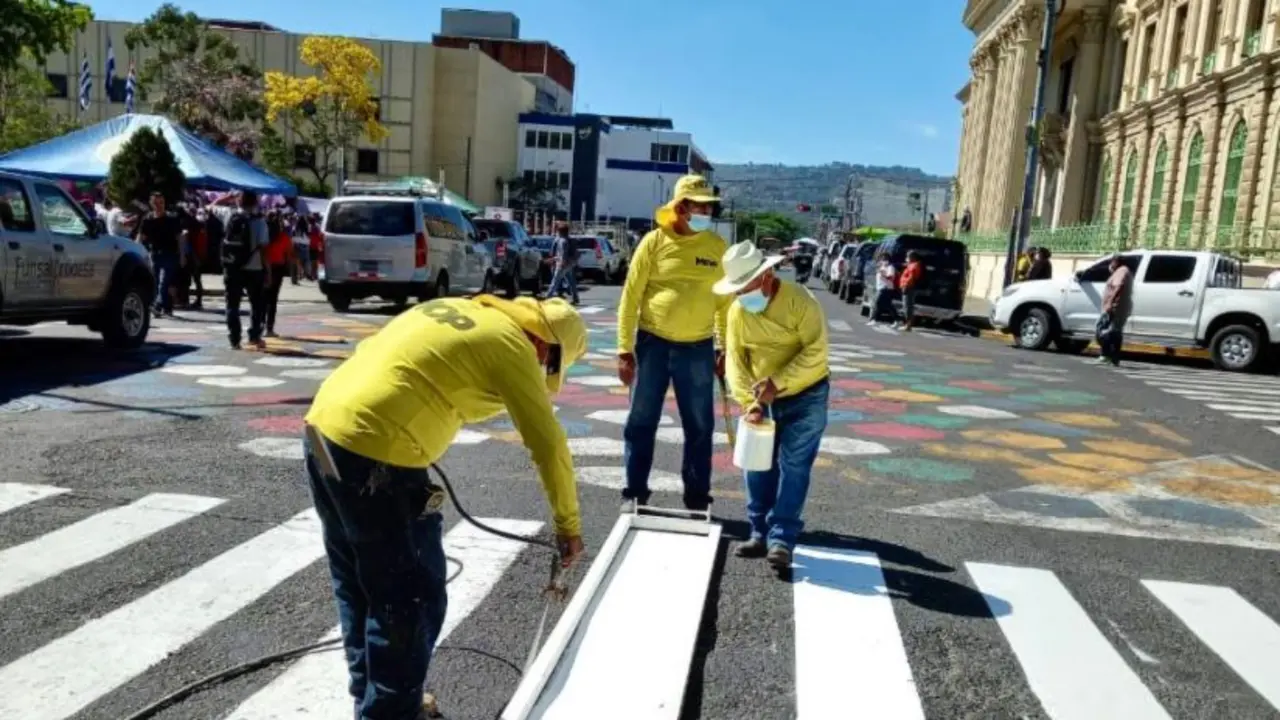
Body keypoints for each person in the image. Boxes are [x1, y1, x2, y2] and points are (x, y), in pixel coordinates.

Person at [302, 294, 588, 720]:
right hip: (378, 455)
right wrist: (568, 524)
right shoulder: (512, 343)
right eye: (549, 367)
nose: (543, 372)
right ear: (546, 346)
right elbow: (547, 443)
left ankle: (375, 703)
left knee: (360, 583)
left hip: (324, 431)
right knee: (411, 598)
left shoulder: (465, 309)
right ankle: (391, 713)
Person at [616, 174, 730, 511]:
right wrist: (624, 349)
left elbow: (724, 304)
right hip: (652, 344)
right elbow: (630, 297)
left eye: (710, 207)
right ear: (681, 208)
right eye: (701, 206)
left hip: (698, 347)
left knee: (699, 426)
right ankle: (635, 493)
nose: (707, 212)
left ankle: (696, 499)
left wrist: (722, 348)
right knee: (640, 422)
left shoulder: (716, 248)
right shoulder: (653, 242)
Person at [714, 241, 829, 571]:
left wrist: (777, 383)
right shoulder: (738, 312)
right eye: (736, 290)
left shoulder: (802, 302)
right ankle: (758, 531)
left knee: (794, 466)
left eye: (745, 288)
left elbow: (816, 353)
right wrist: (750, 403)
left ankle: (782, 538)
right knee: (756, 465)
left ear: (766, 277)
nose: (740, 296)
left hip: (806, 394)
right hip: (759, 398)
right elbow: (736, 361)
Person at [210, 191, 270, 350]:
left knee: (232, 305)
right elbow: (264, 249)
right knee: (257, 304)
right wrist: (268, 271)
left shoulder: (229, 215)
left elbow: (211, 207)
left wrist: (226, 198)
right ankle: (254, 337)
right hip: (254, 267)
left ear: (238, 202)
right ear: (256, 203)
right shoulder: (260, 222)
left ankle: (234, 340)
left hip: (232, 267)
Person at [137, 192, 183, 317]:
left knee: (164, 281)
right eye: (156, 203)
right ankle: (167, 308)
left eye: (161, 202)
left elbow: (180, 237)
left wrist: (182, 255)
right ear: (151, 204)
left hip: (170, 254)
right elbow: (141, 236)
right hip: (154, 254)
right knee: (157, 282)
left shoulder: (172, 218)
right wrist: (136, 251)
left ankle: (157, 306)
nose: (159, 205)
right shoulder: (148, 219)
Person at [1097, 255, 1133, 366]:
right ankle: (1113, 357)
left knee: (1103, 330)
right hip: (1117, 307)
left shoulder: (1122, 271)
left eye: (1112, 262)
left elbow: (1119, 286)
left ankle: (1106, 355)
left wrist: (1110, 302)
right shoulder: (1123, 271)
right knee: (1115, 332)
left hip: (1115, 307)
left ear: (1116, 262)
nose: (1111, 264)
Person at [263, 212, 293, 337]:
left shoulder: (264, 237)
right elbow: (288, 255)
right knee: (272, 300)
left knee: (262, 299)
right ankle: (269, 328)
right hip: (277, 269)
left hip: (263, 268)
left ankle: (260, 326)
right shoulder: (284, 237)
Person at [543, 222, 580, 305]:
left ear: (560, 231)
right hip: (570, 263)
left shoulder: (562, 241)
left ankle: (548, 298)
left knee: (555, 281)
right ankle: (575, 298)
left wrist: (561, 263)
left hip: (563, 264)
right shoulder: (569, 239)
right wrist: (553, 259)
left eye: (557, 231)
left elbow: (563, 253)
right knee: (571, 281)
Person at [867, 252, 896, 326]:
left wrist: (883, 273)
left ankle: (873, 319)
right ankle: (897, 320)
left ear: (888, 259)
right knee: (888, 305)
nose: (882, 260)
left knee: (877, 303)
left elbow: (890, 277)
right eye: (882, 258)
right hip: (880, 287)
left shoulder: (890, 267)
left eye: (884, 258)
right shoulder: (882, 266)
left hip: (885, 288)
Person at [898, 250, 924, 331]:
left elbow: (911, 278)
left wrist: (906, 286)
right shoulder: (911, 265)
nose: (906, 258)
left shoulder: (914, 266)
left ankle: (908, 325)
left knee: (908, 306)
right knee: (906, 306)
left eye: (907, 256)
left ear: (912, 257)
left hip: (909, 288)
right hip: (907, 287)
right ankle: (907, 324)